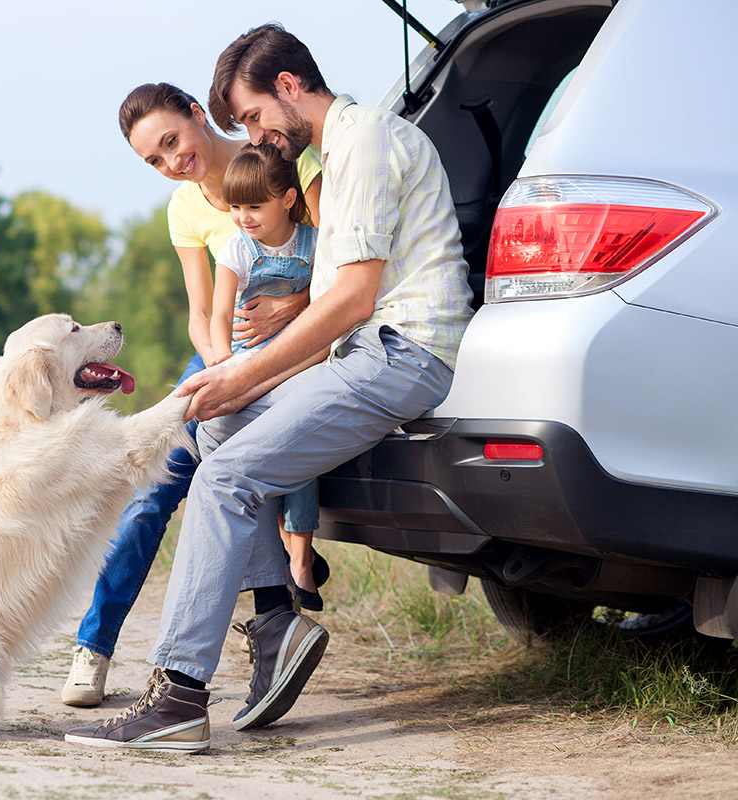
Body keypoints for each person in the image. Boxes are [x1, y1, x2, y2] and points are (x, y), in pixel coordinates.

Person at [66, 24, 474, 753]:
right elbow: (326, 308)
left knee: (221, 476)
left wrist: (243, 374)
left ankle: (179, 696)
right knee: (217, 428)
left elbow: (346, 299)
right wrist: (232, 381)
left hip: (401, 354)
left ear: (289, 89)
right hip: (363, 350)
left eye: (252, 116)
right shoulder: (346, 146)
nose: (253, 135)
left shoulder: (366, 142)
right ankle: (278, 621)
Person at [60, 83, 326, 708]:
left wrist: (291, 310)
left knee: (246, 456)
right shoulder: (185, 208)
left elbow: (346, 267)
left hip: (305, 342)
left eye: (172, 141)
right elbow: (200, 310)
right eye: (155, 160)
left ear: (198, 116)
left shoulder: (282, 161)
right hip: (222, 352)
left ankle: (274, 625)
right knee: (155, 483)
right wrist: (220, 367)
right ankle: (94, 648)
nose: (172, 162)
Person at [209, 142, 325, 611]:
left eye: (254, 206)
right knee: (258, 447)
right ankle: (278, 551)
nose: (243, 217)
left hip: (301, 361)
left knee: (298, 441)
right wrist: (221, 361)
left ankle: (300, 558)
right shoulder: (237, 249)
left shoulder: (315, 243)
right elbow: (219, 316)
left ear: (288, 200)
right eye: (235, 207)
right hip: (251, 361)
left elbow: (332, 296)